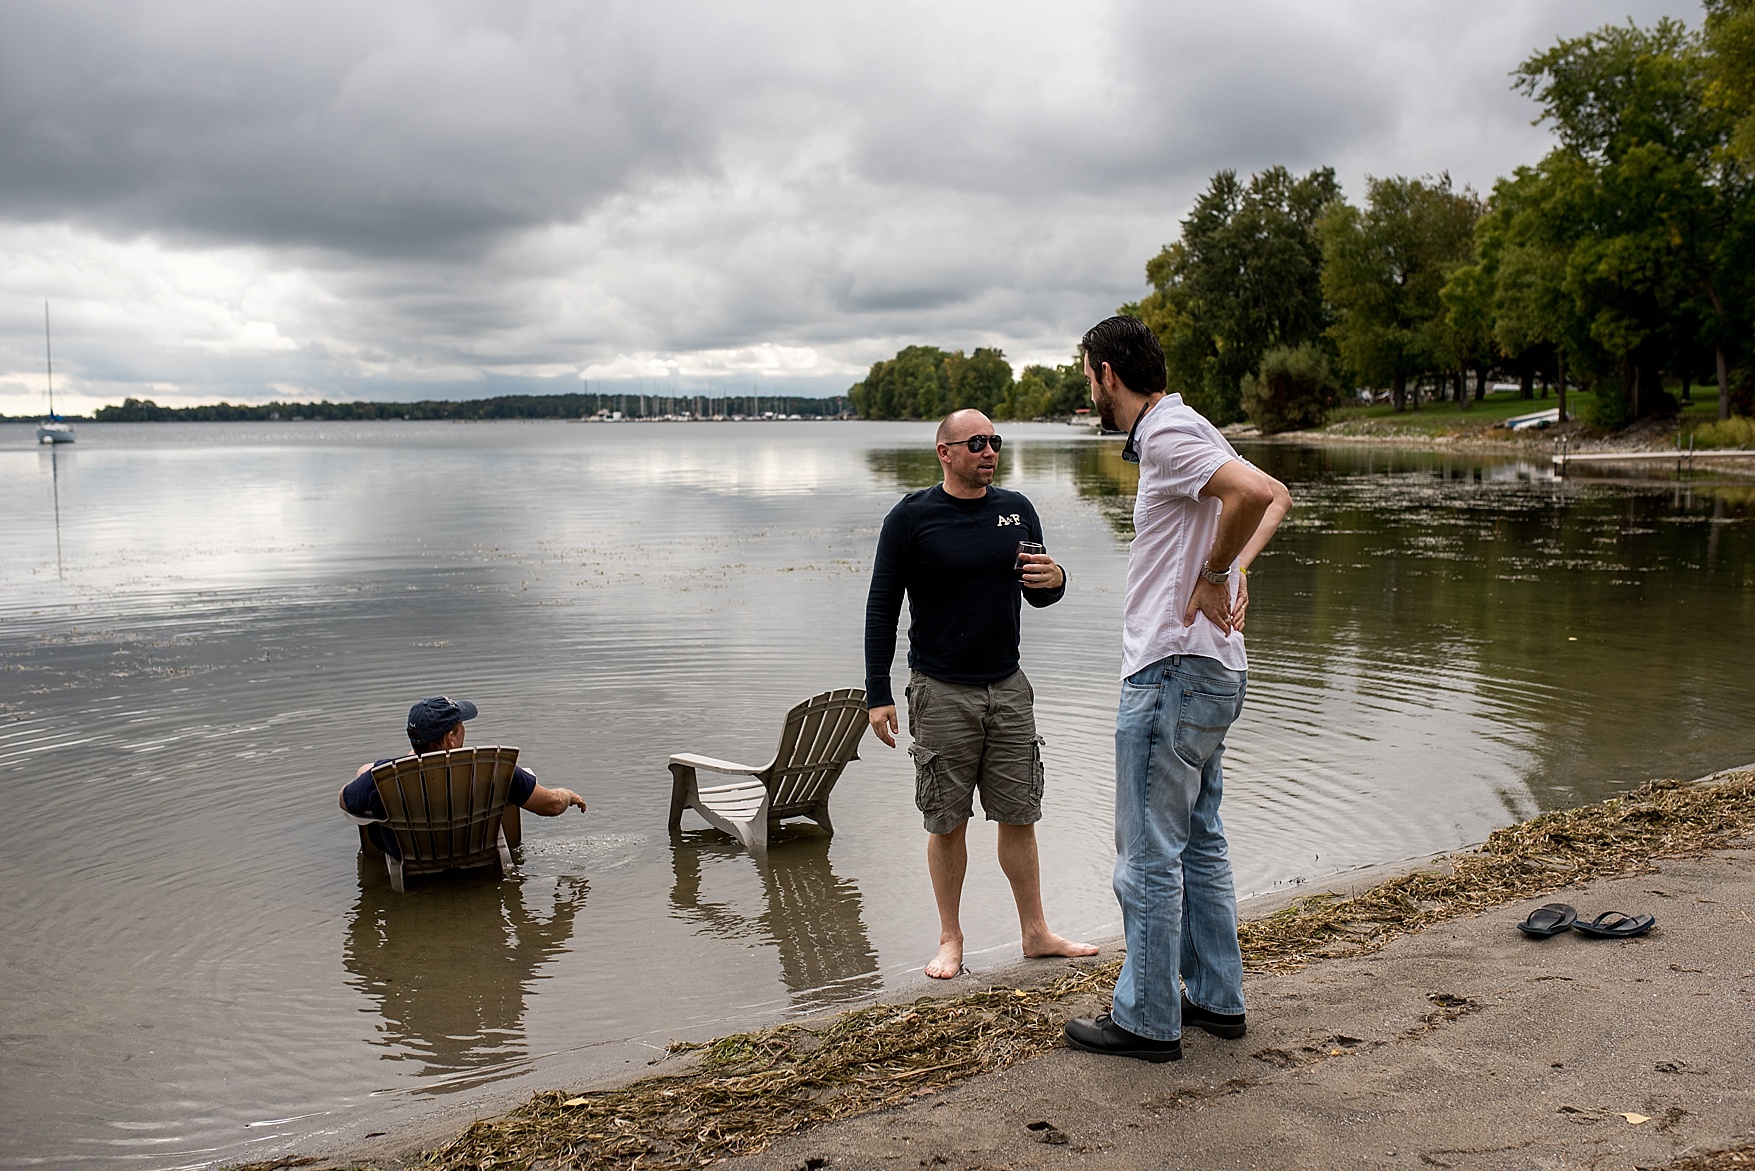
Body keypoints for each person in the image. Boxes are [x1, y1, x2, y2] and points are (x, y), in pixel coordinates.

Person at [1064, 316, 1293, 1063]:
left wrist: (1220, 570)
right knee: (1200, 842)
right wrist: (1234, 565)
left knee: (1147, 853)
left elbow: (1258, 492)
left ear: (1106, 374)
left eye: (1087, 375)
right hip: (1215, 671)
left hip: (1169, 670)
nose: (1087, 388)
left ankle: (1148, 1017)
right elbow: (1274, 497)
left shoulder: (1164, 432)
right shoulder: (1190, 426)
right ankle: (1216, 999)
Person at [865, 408, 1099, 979]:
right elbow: (881, 607)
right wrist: (878, 693)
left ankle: (1036, 932)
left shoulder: (1016, 511)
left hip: (1009, 688)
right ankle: (951, 939)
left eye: (994, 440)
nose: (989, 450)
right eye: (976, 442)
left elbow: (1040, 592)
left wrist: (1059, 578)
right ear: (945, 452)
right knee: (946, 821)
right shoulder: (911, 519)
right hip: (940, 692)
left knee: (1020, 814)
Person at [340, 695, 586, 855]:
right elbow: (552, 805)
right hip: (474, 852)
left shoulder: (385, 775)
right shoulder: (493, 767)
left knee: (365, 776)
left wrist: (369, 771)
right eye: (461, 726)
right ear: (450, 738)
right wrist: (567, 795)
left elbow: (345, 800)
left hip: (415, 857)